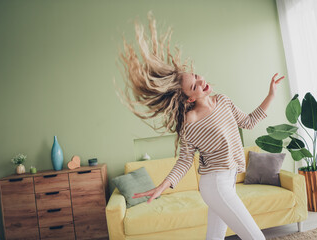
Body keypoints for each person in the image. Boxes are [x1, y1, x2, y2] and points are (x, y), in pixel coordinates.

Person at [116, 12, 284, 240]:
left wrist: (271, 95)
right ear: (188, 99)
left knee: (214, 237)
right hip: (216, 184)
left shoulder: (223, 100)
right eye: (195, 85)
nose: (202, 82)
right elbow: (185, 160)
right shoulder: (191, 120)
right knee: (256, 237)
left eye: (197, 76)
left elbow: (248, 121)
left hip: (227, 181)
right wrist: (162, 187)